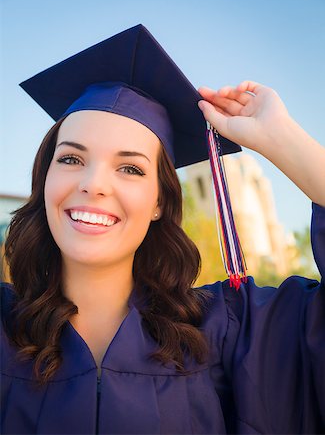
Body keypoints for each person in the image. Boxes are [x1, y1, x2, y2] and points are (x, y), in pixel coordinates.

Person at [1, 24, 324, 435]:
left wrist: (283, 138)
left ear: (158, 202)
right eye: (70, 159)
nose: (93, 183)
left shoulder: (229, 332)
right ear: (45, 178)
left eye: (130, 168)